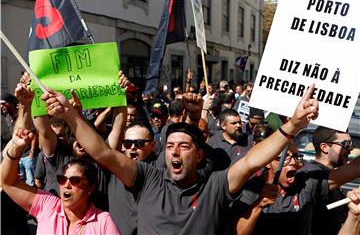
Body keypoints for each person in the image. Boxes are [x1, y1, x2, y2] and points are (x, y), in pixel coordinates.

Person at [42, 83, 319, 234]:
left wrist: (293, 124)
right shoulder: (147, 178)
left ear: (199, 155)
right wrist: (70, 115)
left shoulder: (215, 186)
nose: (174, 150)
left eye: (183, 146)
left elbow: (252, 162)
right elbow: (102, 152)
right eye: (170, 145)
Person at [236, 131, 360, 235]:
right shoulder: (252, 188)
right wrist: (258, 205)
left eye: (296, 156)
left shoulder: (306, 183)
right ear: (268, 162)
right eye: (285, 158)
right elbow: (239, 232)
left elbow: (354, 168)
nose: (294, 162)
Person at [1, 129, 120, 235]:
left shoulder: (103, 222)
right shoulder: (48, 205)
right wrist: (15, 150)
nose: (66, 185)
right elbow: (7, 183)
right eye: (62, 179)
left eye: (75, 180)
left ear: (91, 187)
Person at [108, 123, 157, 234]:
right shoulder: (113, 170)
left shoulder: (160, 169)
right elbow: (101, 148)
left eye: (139, 143)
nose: (133, 147)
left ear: (153, 145)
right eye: (128, 143)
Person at [304, 126, 352, 235]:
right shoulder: (312, 175)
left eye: (350, 144)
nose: (350, 149)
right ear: (324, 147)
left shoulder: (325, 174)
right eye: (345, 144)